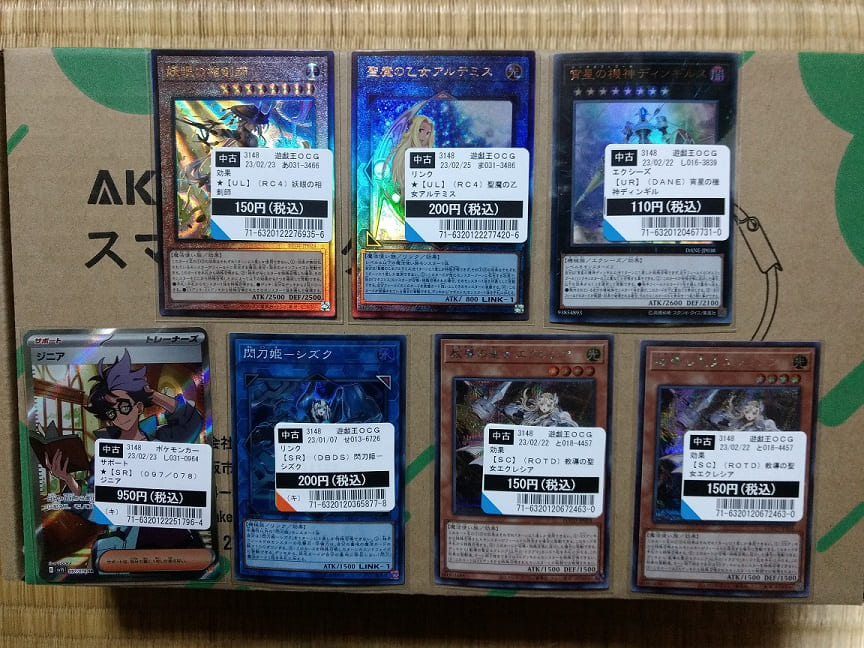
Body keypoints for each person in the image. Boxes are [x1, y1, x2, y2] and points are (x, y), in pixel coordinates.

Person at [383, 114, 435, 201]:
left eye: (427, 133)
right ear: (414, 130)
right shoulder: (404, 152)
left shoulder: (431, 154)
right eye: (420, 130)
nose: (423, 137)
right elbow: (394, 182)